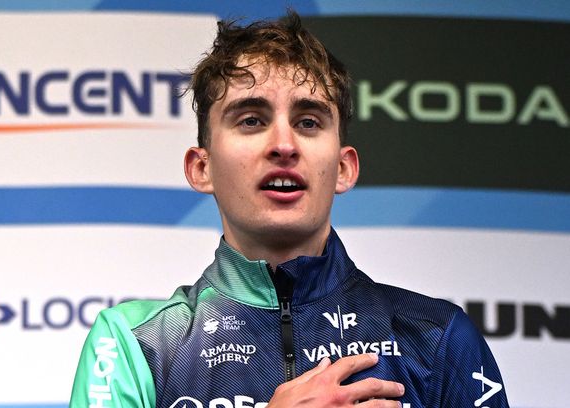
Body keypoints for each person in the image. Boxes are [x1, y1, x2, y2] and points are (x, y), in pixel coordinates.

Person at [70, 12, 509, 408]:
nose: (283, 145)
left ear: (343, 168)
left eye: (308, 122)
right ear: (202, 168)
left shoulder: (438, 339)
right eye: (251, 120)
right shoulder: (134, 344)